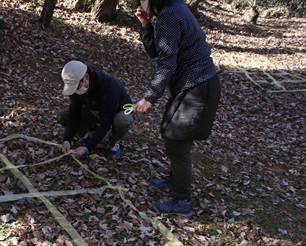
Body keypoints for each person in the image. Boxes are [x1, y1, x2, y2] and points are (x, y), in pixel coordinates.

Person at [134, 0, 221, 217]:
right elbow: (157, 51)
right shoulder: (171, 10)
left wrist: (150, 97)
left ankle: (182, 202)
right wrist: (146, 25)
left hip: (198, 86)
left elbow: (167, 63)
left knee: (177, 142)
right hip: (191, 85)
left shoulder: (170, 14)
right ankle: (174, 182)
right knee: (172, 136)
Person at [57, 60, 135, 159]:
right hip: (98, 111)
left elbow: (106, 121)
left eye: (77, 86)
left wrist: (87, 148)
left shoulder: (109, 86)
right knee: (63, 116)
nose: (75, 90)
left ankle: (113, 143)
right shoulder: (76, 89)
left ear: (86, 78)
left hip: (119, 111)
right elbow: (74, 114)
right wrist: (67, 139)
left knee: (121, 121)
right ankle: (93, 131)